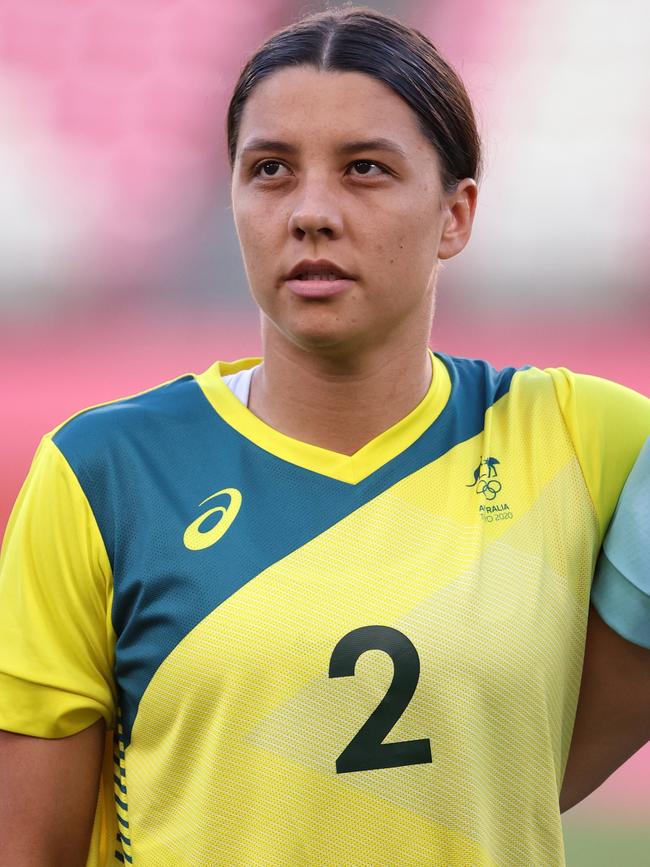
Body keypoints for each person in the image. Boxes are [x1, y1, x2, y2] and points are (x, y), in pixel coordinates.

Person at [1, 7, 649, 866]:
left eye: (365, 169)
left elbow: (542, 758)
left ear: (456, 215)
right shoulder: (100, 473)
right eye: (270, 169)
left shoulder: (589, 439)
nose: (311, 211)